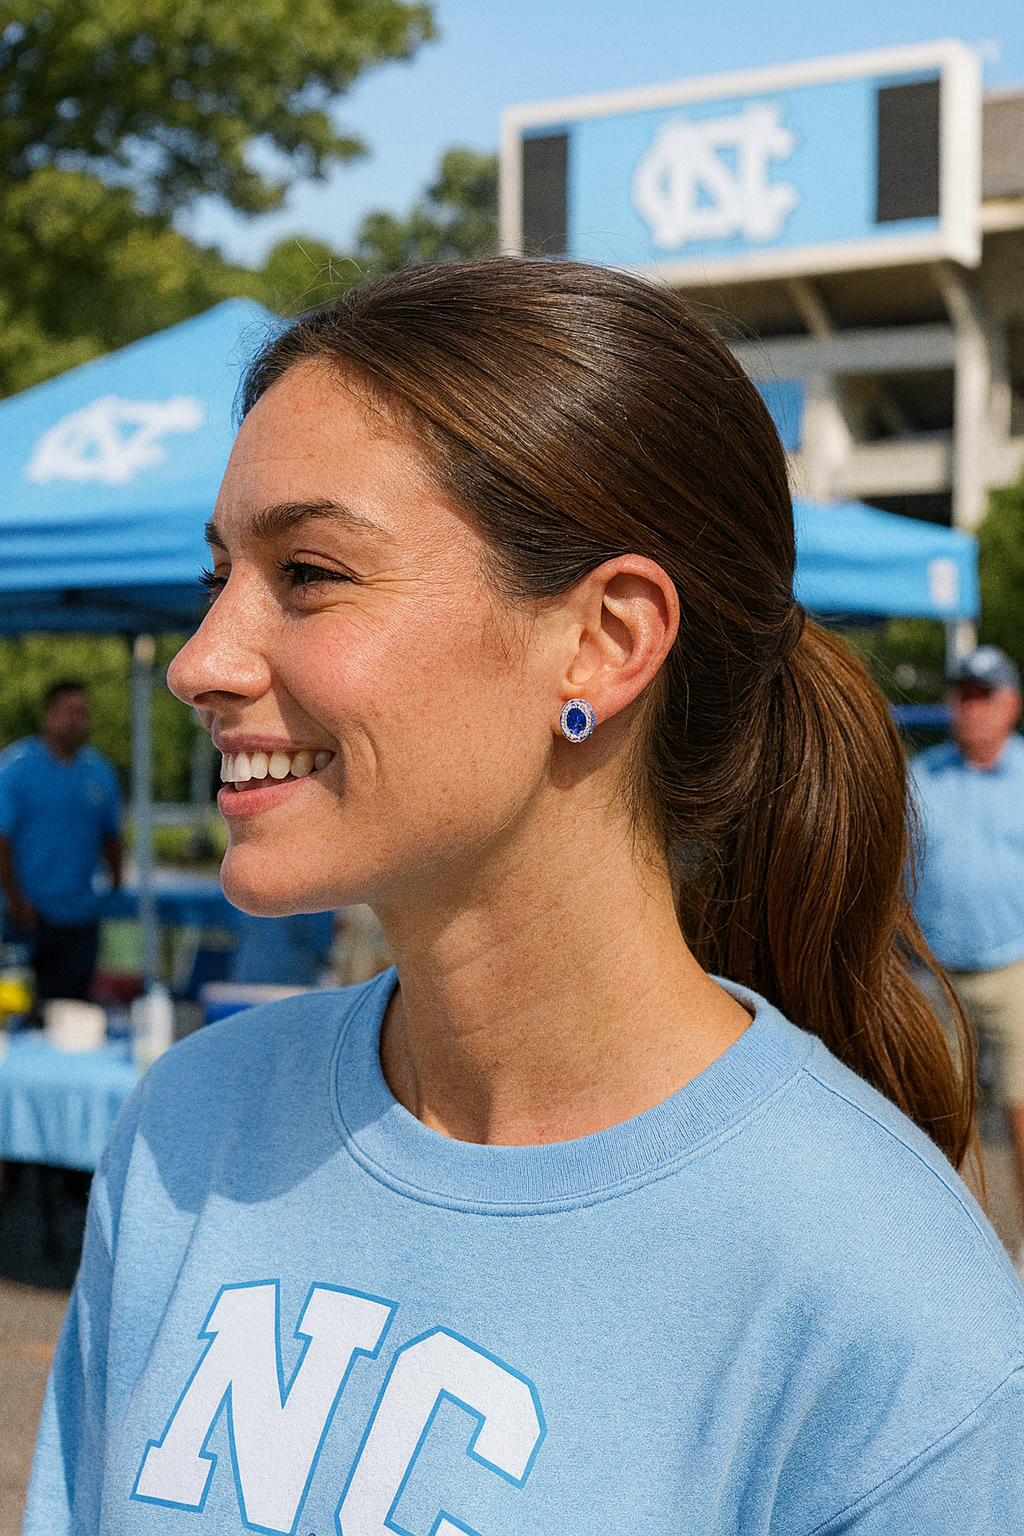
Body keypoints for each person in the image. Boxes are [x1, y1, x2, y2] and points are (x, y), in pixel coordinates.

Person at [24, 262, 1024, 1535]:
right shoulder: (194, 1128)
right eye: (219, 572)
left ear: (605, 641)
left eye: (310, 572)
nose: (201, 661)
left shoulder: (891, 1308)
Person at [911, 647, 1024, 1219]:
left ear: (1011, 706)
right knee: (935, 1116)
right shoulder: (921, 774)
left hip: (1014, 969)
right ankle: (949, 1241)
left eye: (982, 696)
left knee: (1022, 1108)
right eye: (962, 696)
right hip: (933, 976)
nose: (969, 708)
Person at [0, 680, 122, 1006]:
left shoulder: (100, 772)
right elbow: (2, 839)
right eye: (68, 711)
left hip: (81, 916)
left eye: (82, 712)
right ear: (48, 716)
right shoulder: (17, 767)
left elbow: (111, 836)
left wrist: (116, 882)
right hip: (28, 914)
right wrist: (14, 901)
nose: (75, 719)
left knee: (72, 1009)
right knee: (19, 1007)